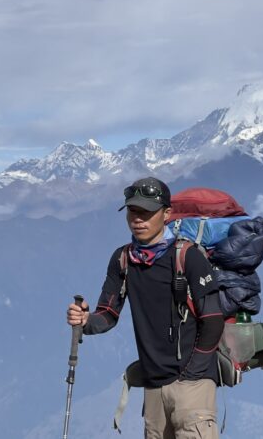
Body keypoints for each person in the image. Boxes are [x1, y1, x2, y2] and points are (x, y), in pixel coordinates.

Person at [66, 177, 224, 439]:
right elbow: (108, 314)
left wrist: (192, 374)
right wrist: (85, 320)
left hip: (193, 386)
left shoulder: (188, 257)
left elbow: (213, 320)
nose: (138, 219)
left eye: (147, 212)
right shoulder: (123, 259)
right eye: (133, 211)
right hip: (153, 386)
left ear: (166, 214)